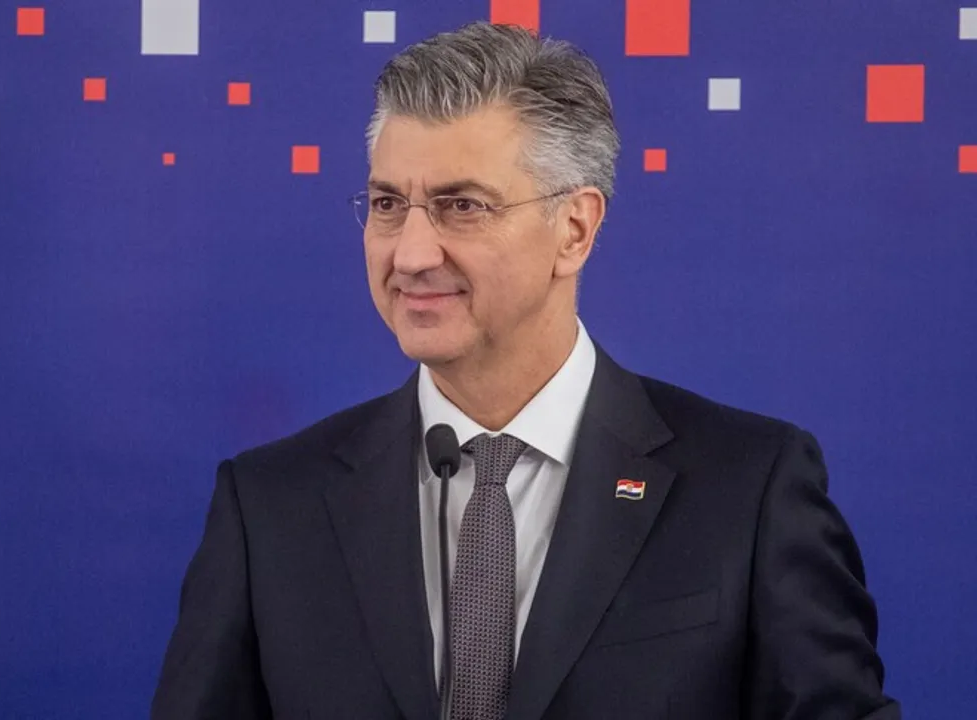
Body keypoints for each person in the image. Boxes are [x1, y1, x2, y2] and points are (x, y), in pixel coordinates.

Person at [151, 21, 899, 720]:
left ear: (574, 229)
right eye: (387, 203)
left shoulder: (750, 487)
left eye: (461, 206)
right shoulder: (269, 506)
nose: (410, 253)